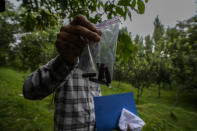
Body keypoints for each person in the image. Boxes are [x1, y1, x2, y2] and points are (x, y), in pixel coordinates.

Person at [23, 14, 102, 131]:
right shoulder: (64, 63)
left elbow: (95, 104)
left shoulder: (94, 70)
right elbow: (28, 91)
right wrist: (65, 60)